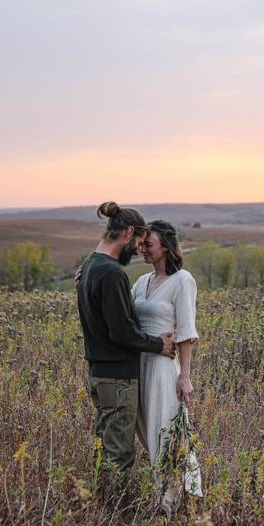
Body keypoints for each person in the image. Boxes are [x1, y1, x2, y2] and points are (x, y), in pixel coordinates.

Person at [76, 202, 176, 505]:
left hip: (98, 375)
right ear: (129, 233)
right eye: (138, 242)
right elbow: (122, 332)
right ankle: (112, 517)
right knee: (119, 452)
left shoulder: (90, 266)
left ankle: (98, 505)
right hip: (117, 378)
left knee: (104, 446)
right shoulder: (111, 273)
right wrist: (158, 345)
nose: (138, 250)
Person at [132, 219, 202, 511]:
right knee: (145, 431)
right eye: (141, 244)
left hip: (163, 369)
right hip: (138, 365)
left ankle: (170, 501)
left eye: (148, 244)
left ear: (166, 246)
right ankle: (161, 492)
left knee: (165, 430)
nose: (143, 249)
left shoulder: (182, 280)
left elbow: (186, 331)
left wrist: (184, 376)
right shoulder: (140, 281)